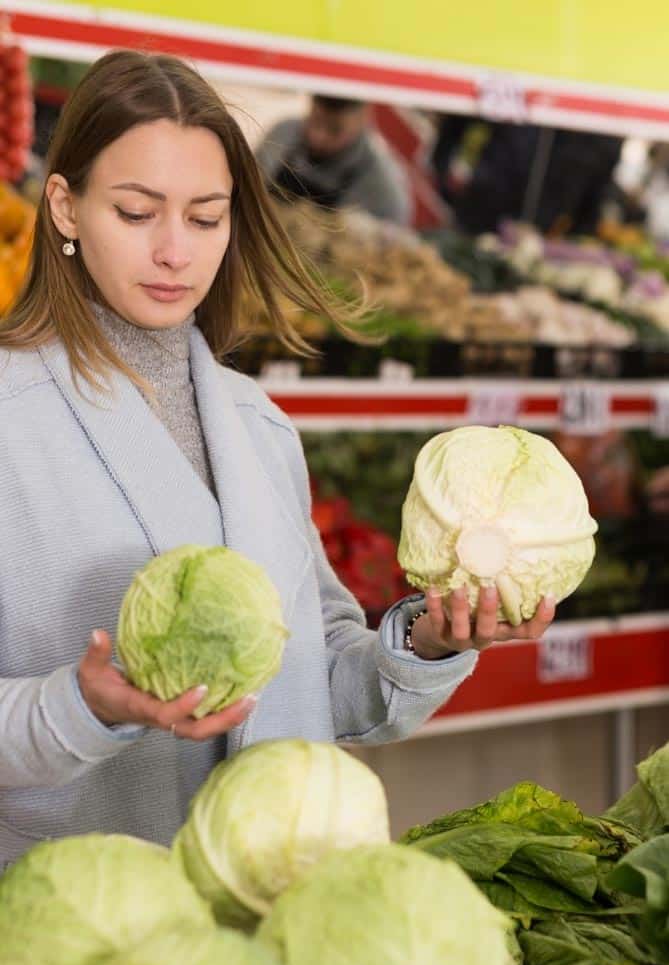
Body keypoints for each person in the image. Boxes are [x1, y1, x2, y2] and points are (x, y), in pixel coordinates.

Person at [0, 50, 555, 869]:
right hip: (86, 925)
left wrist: (426, 642)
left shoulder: (260, 426)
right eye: (136, 211)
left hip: (271, 894)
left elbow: (316, 683)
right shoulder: (12, 418)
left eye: (205, 217)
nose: (174, 252)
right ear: (65, 207)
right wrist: (81, 705)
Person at [255, 94, 411, 225]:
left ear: (363, 119)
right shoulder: (282, 135)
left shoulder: (382, 191)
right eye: (314, 121)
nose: (318, 137)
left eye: (335, 129)